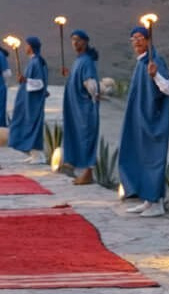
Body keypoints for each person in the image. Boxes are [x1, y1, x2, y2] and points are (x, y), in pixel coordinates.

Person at [118, 20, 169, 216]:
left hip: (153, 121)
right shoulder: (140, 63)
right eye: (134, 39)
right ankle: (147, 200)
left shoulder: (155, 61)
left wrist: (156, 74)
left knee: (153, 160)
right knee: (139, 158)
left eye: (140, 39)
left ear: (149, 40)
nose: (136, 42)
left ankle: (157, 201)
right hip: (139, 121)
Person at [58, 30, 101, 185]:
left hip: (84, 109)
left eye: (78, 40)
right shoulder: (79, 60)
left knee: (86, 137)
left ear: (85, 42)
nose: (75, 43)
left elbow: (90, 83)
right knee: (76, 135)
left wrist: (94, 94)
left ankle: (87, 172)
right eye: (73, 40)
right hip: (75, 108)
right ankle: (76, 168)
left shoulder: (86, 61)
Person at [7, 35, 49, 160]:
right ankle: (32, 153)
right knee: (22, 123)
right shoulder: (33, 61)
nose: (25, 48)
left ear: (31, 47)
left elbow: (39, 83)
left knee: (32, 125)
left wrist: (25, 80)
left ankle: (37, 155)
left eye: (27, 45)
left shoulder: (36, 62)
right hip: (26, 100)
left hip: (32, 103)